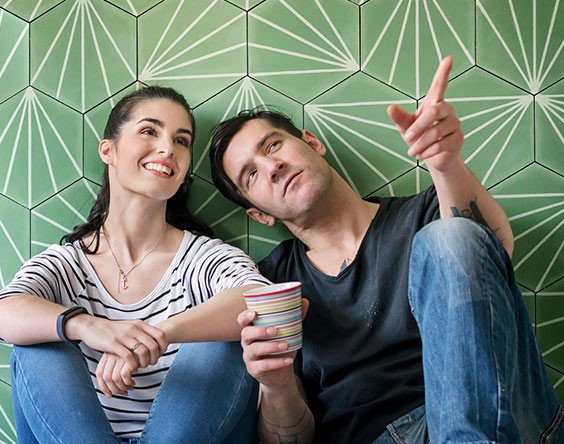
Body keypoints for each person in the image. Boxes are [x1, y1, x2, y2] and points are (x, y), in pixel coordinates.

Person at [207, 56, 563, 443]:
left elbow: (494, 255)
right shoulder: (270, 283)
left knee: (449, 236)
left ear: (312, 142)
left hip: (497, 416)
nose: (272, 165)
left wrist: (445, 164)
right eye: (252, 174)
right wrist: (275, 386)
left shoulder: (429, 211)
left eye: (273, 144)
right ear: (259, 215)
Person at [0, 86, 272, 444]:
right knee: (37, 345)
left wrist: (158, 334)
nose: (168, 148)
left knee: (227, 336)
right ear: (109, 150)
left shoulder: (203, 259)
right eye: (150, 131)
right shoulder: (67, 264)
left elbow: (259, 300)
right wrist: (88, 327)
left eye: (181, 141)